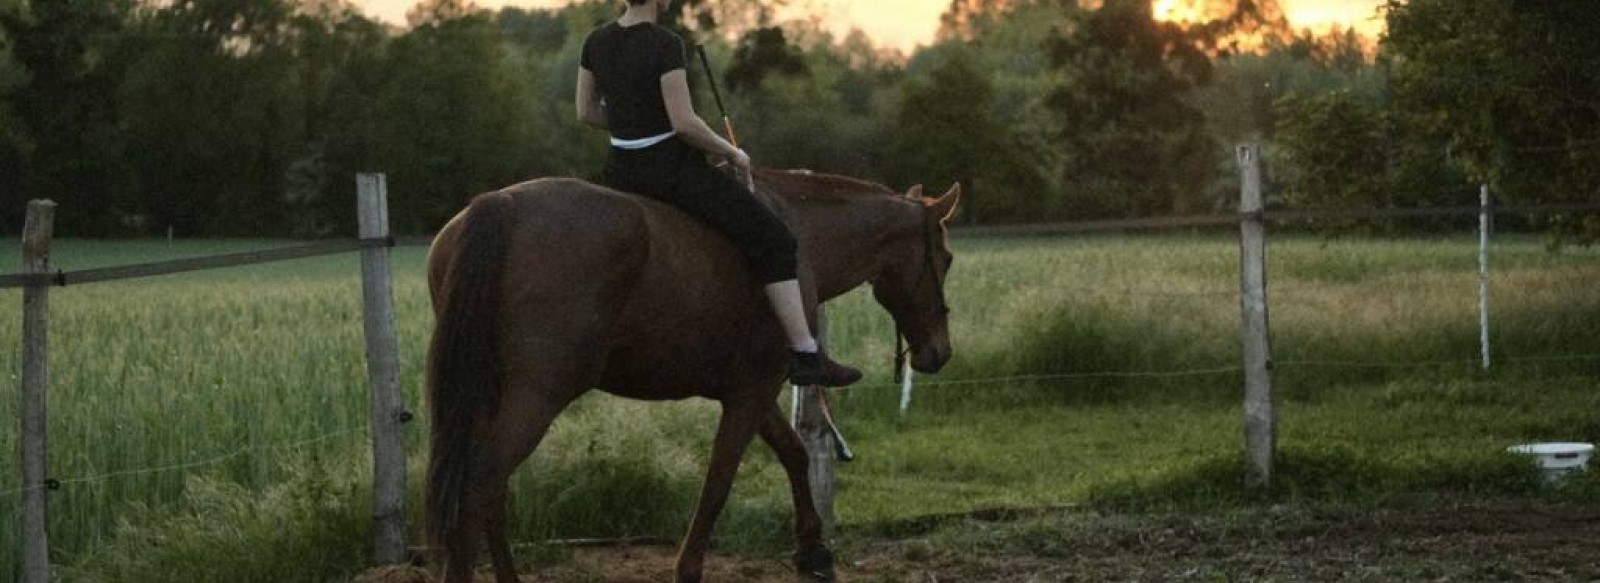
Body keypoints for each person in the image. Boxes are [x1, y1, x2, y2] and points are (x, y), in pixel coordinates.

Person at [576, 0, 861, 387]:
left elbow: (586, 112)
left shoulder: (595, 41)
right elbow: (684, 123)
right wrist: (732, 153)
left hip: (620, 172)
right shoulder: (665, 44)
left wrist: (633, 117)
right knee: (774, 240)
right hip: (670, 172)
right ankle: (805, 353)